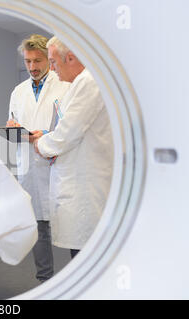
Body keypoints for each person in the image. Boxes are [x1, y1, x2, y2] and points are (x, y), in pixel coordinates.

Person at [33, 36, 114, 259]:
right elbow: (72, 129)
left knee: (86, 257)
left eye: (53, 62)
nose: (52, 69)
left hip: (86, 187)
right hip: (80, 178)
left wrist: (42, 143)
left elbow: (67, 134)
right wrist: (49, 136)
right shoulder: (83, 82)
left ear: (70, 57)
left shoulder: (90, 81)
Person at [6, 34, 70, 282]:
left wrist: (46, 134)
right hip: (30, 164)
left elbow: (72, 127)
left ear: (49, 59)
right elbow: (13, 126)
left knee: (71, 223)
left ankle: (78, 278)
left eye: (38, 61)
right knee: (38, 226)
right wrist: (13, 129)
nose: (32, 67)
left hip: (59, 164)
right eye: (28, 61)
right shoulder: (18, 92)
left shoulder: (65, 86)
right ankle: (45, 280)